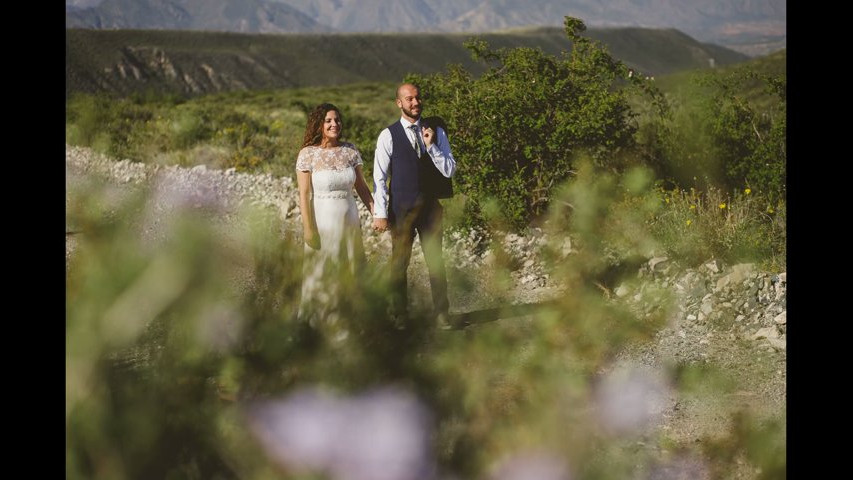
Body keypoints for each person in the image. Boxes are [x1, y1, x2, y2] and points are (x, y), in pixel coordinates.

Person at [372, 83, 457, 328]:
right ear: (399, 103)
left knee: (436, 262)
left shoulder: (437, 131)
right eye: (409, 99)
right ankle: (400, 314)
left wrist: (432, 147)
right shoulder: (388, 135)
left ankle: (442, 313)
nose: (415, 103)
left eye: (418, 98)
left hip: (431, 210)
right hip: (401, 210)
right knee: (399, 264)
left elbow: (450, 169)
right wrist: (380, 214)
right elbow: (379, 176)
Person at [296, 103, 374, 324]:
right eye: (329, 120)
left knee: (351, 265)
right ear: (319, 124)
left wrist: (377, 212)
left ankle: (351, 319)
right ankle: (321, 320)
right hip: (322, 219)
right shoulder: (308, 154)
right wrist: (308, 228)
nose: (334, 124)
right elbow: (304, 194)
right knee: (324, 268)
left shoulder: (349, 150)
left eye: (337, 120)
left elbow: (361, 187)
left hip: (349, 217)